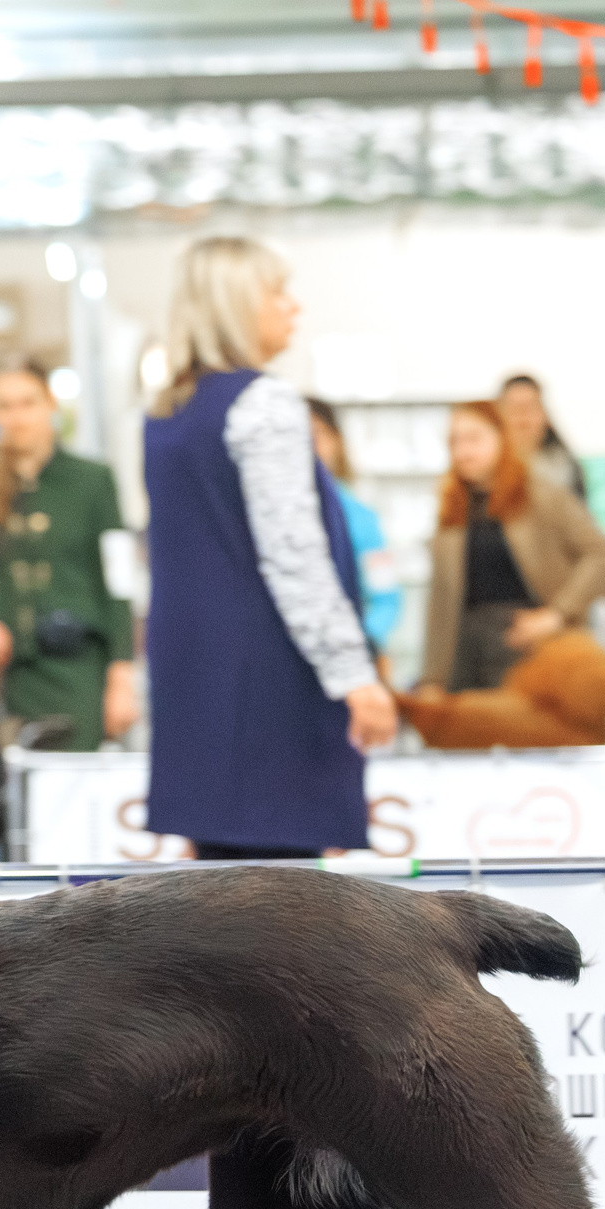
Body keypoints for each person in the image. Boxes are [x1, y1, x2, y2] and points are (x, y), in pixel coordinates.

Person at [143, 236, 395, 859]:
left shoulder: (163, 411)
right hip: (267, 678)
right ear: (235, 304)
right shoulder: (266, 402)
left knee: (219, 885)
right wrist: (354, 675)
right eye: (277, 293)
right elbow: (294, 554)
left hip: (192, 672)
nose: (294, 308)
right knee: (285, 900)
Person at [0, 363, 137, 751]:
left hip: (79, 669)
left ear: (50, 404)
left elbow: (119, 582)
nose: (17, 417)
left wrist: (122, 675)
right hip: (8, 675)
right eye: (4, 406)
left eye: (28, 403)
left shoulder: (93, 481)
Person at [418, 401, 605, 694]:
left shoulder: (541, 495)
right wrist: (432, 677)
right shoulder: (452, 508)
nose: (463, 451)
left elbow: (604, 555)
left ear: (501, 438)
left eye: (474, 439)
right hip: (465, 650)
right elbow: (440, 598)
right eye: (455, 440)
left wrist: (557, 614)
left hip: (528, 645)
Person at [304, 397, 402, 653]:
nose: (309, 448)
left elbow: (385, 598)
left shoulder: (361, 517)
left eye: (317, 435)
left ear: (337, 441)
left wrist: (363, 640)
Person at [497, 373, 584, 498]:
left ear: (544, 413)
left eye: (529, 407)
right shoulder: (484, 468)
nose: (522, 417)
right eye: (514, 408)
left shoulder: (566, 467)